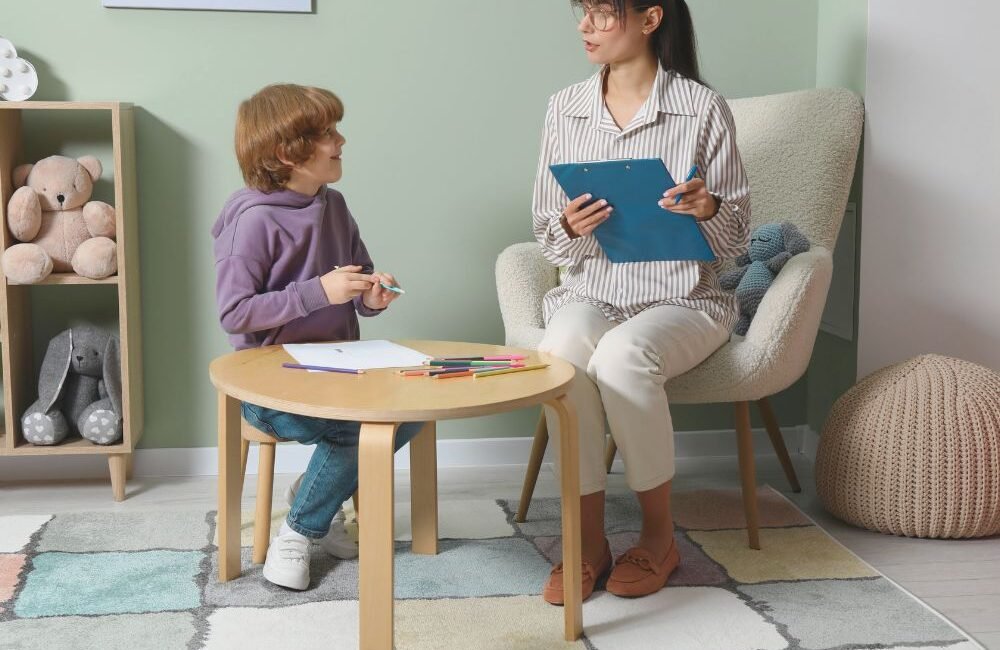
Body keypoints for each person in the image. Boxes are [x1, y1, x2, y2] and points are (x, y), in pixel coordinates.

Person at [533, 0, 751, 603]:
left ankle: (659, 539)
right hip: (592, 290)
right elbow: (543, 229)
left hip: (685, 299)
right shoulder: (564, 108)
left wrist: (709, 209)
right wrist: (571, 227)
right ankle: (587, 541)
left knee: (623, 357)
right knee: (561, 354)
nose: (585, 26)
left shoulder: (701, 107)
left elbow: (735, 239)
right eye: (584, 13)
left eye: (602, 15)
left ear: (650, 19)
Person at [212, 83, 421, 590]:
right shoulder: (252, 221)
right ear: (289, 152)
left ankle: (315, 493)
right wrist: (316, 293)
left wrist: (368, 296)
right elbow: (235, 313)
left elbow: (355, 278)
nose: (341, 140)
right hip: (271, 386)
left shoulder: (335, 204)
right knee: (353, 431)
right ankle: (300, 532)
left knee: (415, 404)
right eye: (328, 133)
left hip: (340, 371)